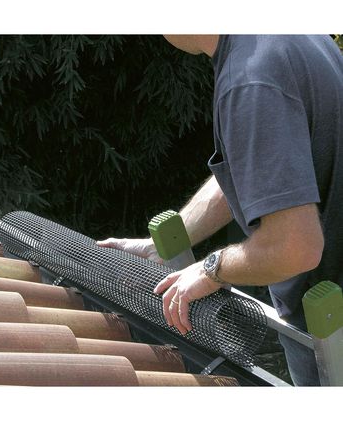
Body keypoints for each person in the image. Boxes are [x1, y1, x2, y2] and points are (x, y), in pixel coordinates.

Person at [98, 35, 343, 386]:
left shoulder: (250, 81)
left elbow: (296, 247)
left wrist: (211, 270)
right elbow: (263, 170)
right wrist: (168, 241)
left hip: (332, 337)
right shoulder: (283, 36)